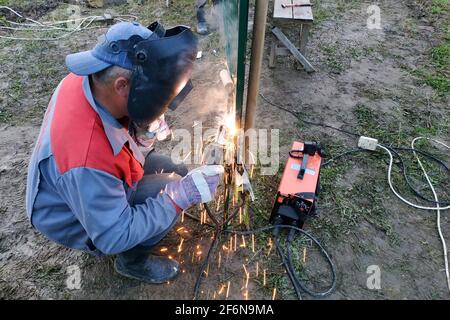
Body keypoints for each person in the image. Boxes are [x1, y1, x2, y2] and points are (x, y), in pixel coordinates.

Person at [25, 21, 223, 284]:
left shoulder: (90, 81)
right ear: (121, 86)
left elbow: (116, 142)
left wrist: (144, 133)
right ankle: (132, 262)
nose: (159, 103)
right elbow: (112, 236)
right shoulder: (87, 160)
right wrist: (177, 198)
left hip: (89, 179)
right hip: (72, 215)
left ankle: (145, 214)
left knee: (177, 169)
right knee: (172, 189)